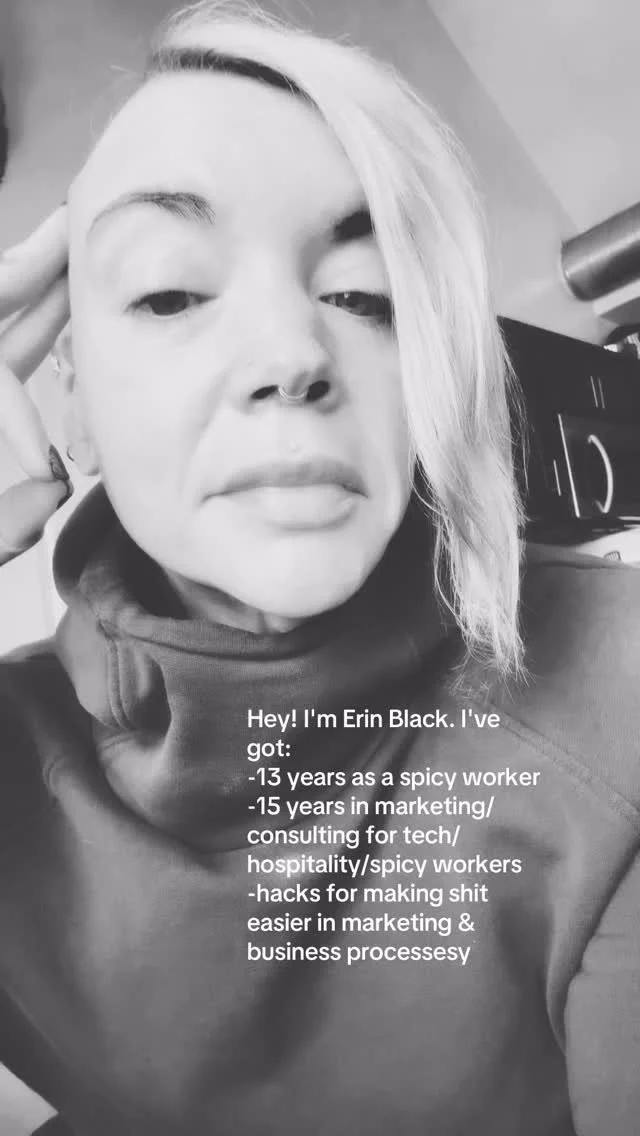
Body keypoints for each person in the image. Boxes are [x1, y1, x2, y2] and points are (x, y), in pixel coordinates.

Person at [0, 3, 639, 1134]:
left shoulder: (616, 693)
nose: (293, 354)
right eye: (169, 291)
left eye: (362, 296)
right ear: (75, 403)